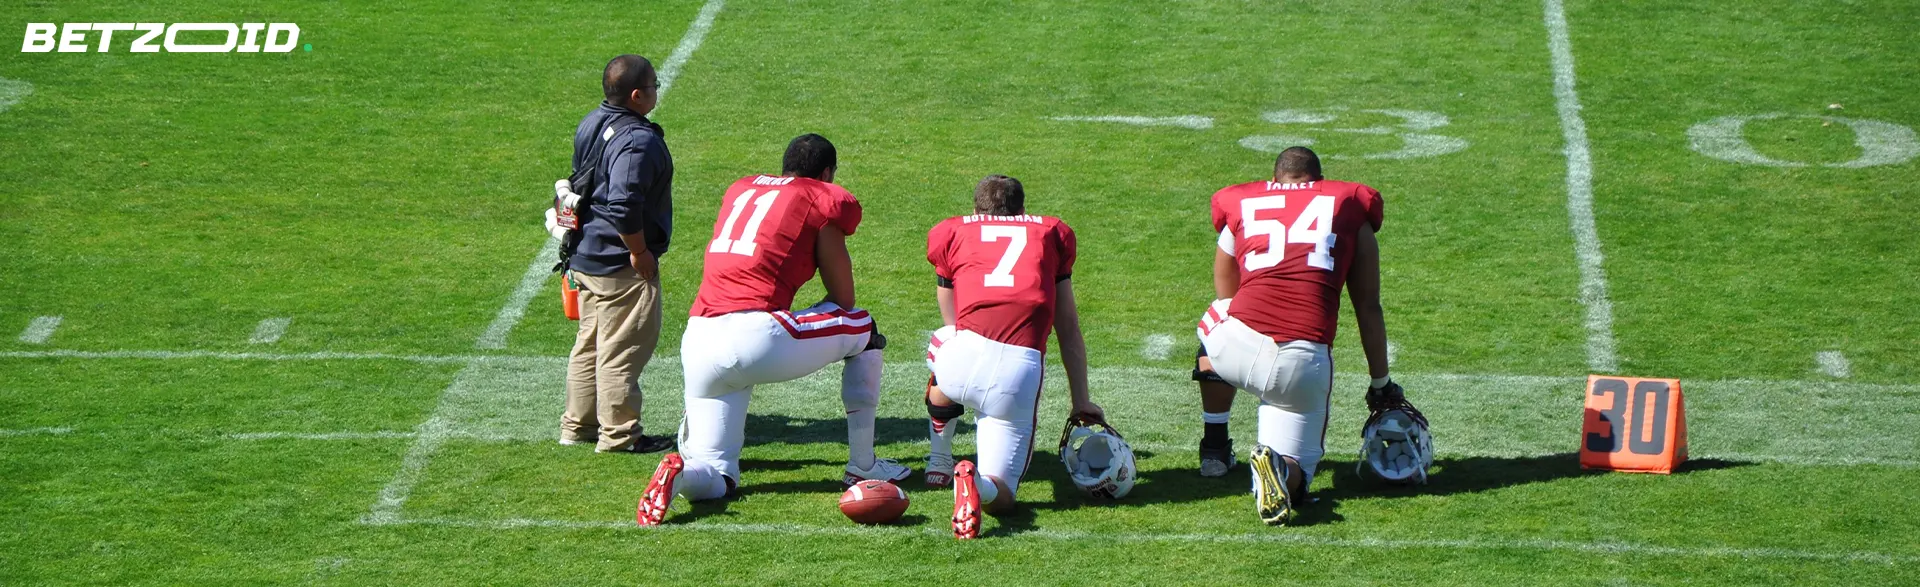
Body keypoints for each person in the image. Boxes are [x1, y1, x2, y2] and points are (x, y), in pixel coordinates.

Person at [635, 134, 910, 525]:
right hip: (755, 335)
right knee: (864, 327)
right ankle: (863, 465)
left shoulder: (741, 188)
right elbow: (843, 300)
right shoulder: (821, 197)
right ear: (827, 173)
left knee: (718, 474)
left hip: (699, 339)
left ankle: (680, 477)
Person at [1192, 146, 1399, 525]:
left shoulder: (1241, 201)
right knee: (1296, 476)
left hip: (1235, 350)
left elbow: (1226, 292)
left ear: (1275, 178)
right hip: (1301, 364)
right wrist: (1381, 385)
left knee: (1219, 315)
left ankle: (1215, 449)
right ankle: (1282, 470)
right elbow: (1368, 307)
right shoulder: (1349, 204)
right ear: (1319, 180)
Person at [922, 175, 1104, 539]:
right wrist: (1080, 401)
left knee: (945, 339)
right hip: (1017, 375)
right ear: (1022, 210)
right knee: (1001, 498)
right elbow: (1068, 329)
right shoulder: (1051, 233)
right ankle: (977, 483)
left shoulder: (952, 232)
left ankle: (939, 459)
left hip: (960, 361)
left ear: (976, 211)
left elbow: (951, 319)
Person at [560, 54, 676, 454]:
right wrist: (639, 252)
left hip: (587, 254)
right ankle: (620, 435)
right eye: (654, 85)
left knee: (590, 344)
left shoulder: (592, 120)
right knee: (621, 350)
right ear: (637, 95)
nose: (657, 90)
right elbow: (624, 204)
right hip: (618, 262)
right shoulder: (637, 141)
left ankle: (577, 426)